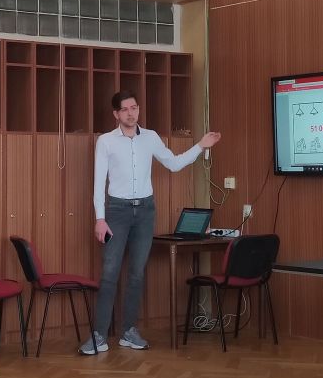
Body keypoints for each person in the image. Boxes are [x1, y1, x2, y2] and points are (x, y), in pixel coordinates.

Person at [82, 91, 221, 355]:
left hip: (145, 212)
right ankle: (99, 335)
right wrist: (100, 218)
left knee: (137, 273)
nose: (131, 113)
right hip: (116, 211)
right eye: (125, 109)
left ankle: (128, 331)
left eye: (134, 108)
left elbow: (174, 164)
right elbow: (99, 183)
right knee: (110, 272)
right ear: (116, 114)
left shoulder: (151, 138)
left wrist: (201, 146)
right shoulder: (106, 141)